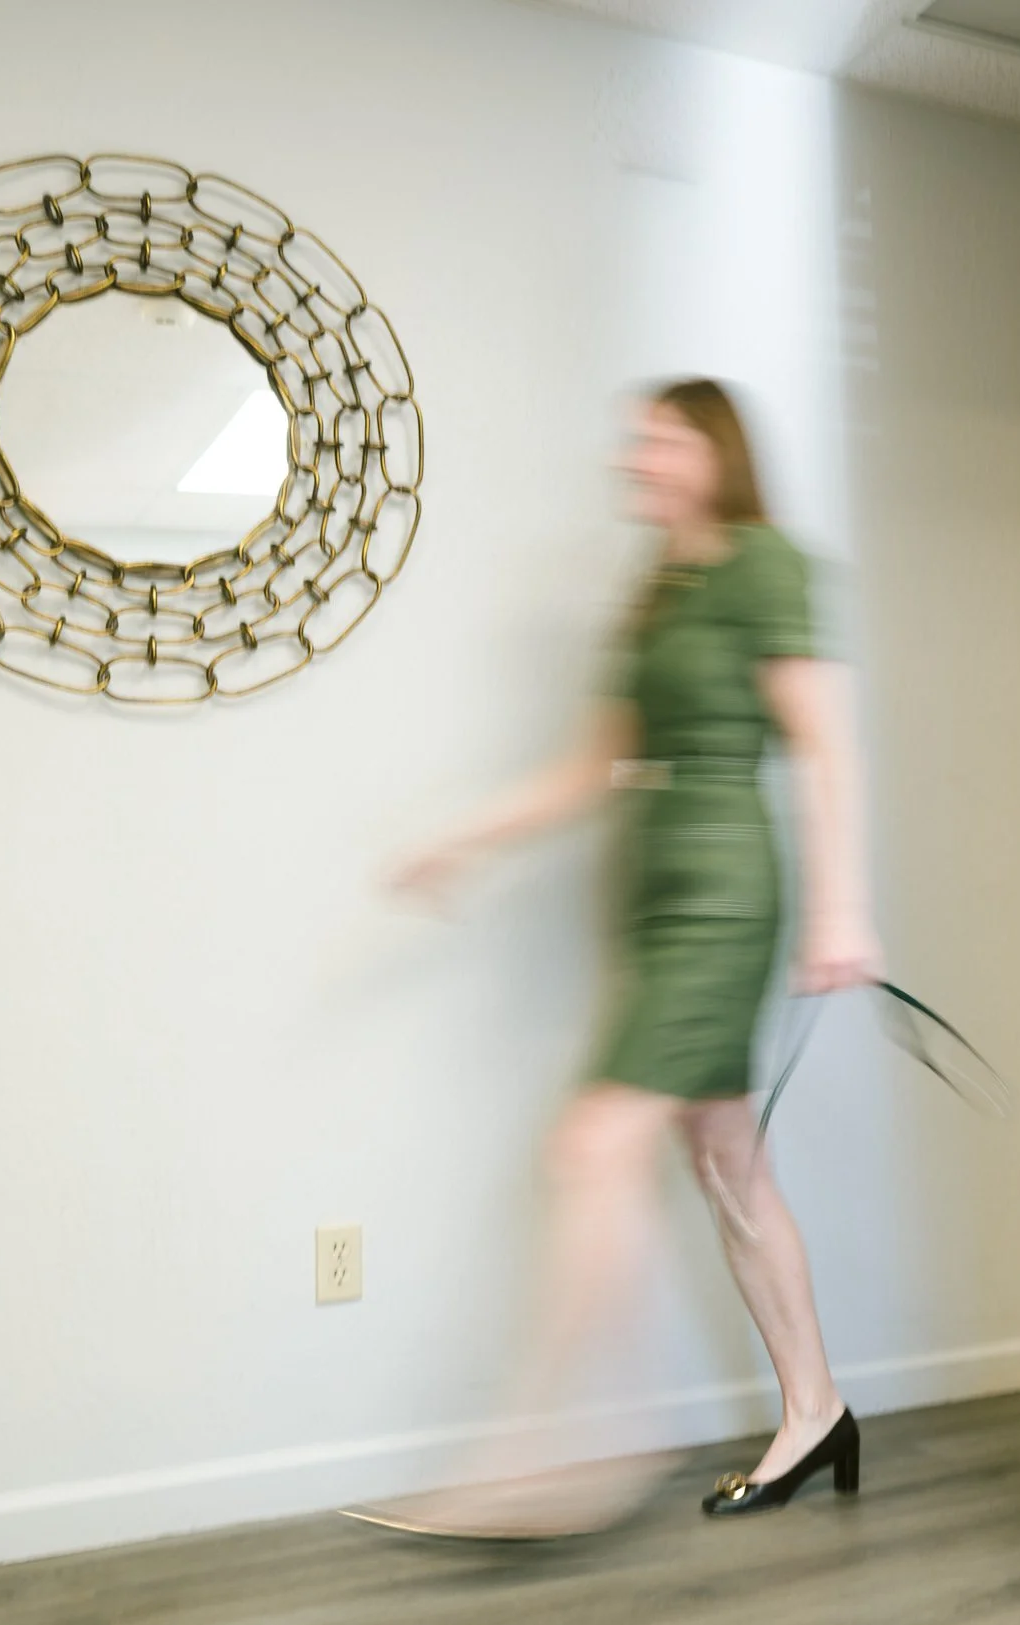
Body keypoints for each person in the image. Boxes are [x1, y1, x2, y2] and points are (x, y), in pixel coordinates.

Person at [356, 379, 878, 1535]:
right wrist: (461, 839)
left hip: (723, 894)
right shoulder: (654, 594)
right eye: (634, 438)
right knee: (727, 1165)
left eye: (660, 437)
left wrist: (843, 907)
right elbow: (588, 770)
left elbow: (825, 744)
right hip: (649, 902)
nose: (634, 456)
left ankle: (556, 1452)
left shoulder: (763, 567)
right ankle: (818, 1410)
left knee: (591, 1143)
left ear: (715, 450)